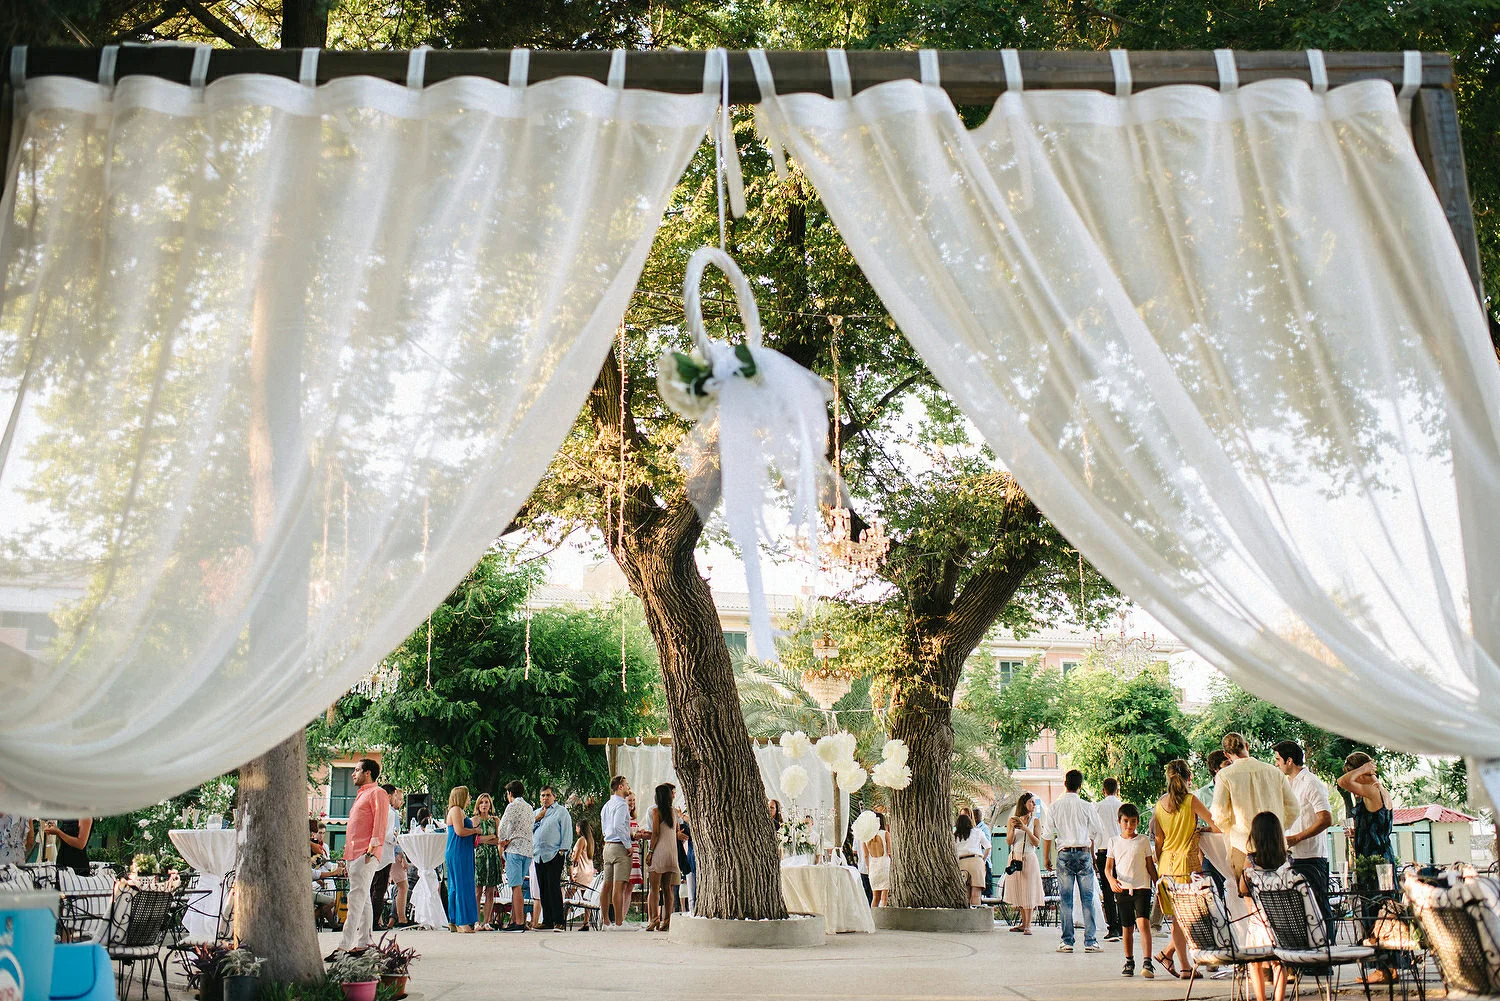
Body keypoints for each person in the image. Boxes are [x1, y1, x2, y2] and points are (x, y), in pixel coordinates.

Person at [1338, 752, 1401, 986]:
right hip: (1382, 857)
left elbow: (1342, 783)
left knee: (1374, 914)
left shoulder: (1373, 789)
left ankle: (1381, 969)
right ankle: (1391, 967)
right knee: (1386, 912)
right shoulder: (1380, 790)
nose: (1352, 785)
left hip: (1373, 863)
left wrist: (1362, 769)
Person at [1152, 759, 1219, 978]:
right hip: (1186, 866)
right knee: (1190, 918)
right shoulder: (1191, 801)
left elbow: (1159, 840)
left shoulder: (1159, 805)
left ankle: (1173, 957)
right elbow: (1217, 825)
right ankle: (1183, 965)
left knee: (1179, 919)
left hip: (1166, 866)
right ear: (1188, 777)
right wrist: (1200, 830)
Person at [1211, 732, 1299, 876]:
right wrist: (1279, 827)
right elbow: (1293, 808)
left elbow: (1219, 815)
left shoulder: (1224, 776)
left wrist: (1230, 830)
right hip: (1275, 845)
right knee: (1278, 891)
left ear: (1226, 754)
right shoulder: (1274, 772)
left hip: (1243, 845)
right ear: (1246, 746)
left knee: (1247, 894)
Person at [1040, 769, 1108, 953]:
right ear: (1080, 786)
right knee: (1088, 899)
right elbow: (1098, 830)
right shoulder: (1087, 806)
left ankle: (1067, 941)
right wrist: (1090, 844)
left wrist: (1046, 857)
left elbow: (1047, 835)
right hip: (1084, 853)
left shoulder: (1054, 807)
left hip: (1064, 854)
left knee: (1066, 900)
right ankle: (1090, 941)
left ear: (1065, 784)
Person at [330, 758, 390, 960]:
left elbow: (380, 822)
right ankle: (365, 942)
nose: (353, 774)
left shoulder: (378, 793)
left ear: (368, 773)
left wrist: (372, 849)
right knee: (363, 900)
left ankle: (343, 946)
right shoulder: (362, 794)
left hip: (366, 853)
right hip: (354, 854)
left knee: (356, 899)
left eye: (356, 770)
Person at [1274, 740, 1333, 931]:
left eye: (1278, 760)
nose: (1276, 764)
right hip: (1292, 857)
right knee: (1300, 910)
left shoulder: (1312, 783)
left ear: (1289, 760)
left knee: (1319, 908)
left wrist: (1297, 837)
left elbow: (1325, 819)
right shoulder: (1288, 784)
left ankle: (1328, 951)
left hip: (1312, 857)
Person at [1238, 812, 1291, 1001]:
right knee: (1279, 963)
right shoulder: (1287, 860)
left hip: (1258, 923)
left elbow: (1243, 888)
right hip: (1282, 923)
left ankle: (1260, 999)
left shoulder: (1251, 860)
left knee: (1255, 962)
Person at [1106, 803, 1159, 979]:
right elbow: (1108, 868)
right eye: (1126, 821)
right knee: (1126, 927)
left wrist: (1157, 883)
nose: (1129, 825)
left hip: (1142, 887)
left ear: (1138, 822)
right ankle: (1129, 961)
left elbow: (1150, 866)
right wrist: (1112, 880)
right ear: (1119, 821)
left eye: (1133, 821)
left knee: (1143, 924)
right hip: (1122, 889)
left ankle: (1147, 961)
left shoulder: (1143, 840)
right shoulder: (1113, 841)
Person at [533, 785, 573, 931]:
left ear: (554, 797)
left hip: (554, 854)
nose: (545, 798)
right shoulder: (536, 813)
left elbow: (567, 832)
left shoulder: (561, 812)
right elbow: (529, 831)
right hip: (538, 855)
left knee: (553, 887)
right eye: (542, 795)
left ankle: (559, 920)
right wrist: (537, 819)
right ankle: (547, 920)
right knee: (543, 888)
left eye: (548, 795)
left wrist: (562, 851)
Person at [496, 780, 533, 932]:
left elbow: (502, 827)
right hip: (528, 850)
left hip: (515, 849)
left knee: (515, 886)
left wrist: (502, 840)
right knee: (518, 886)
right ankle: (514, 920)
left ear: (510, 793)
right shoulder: (529, 807)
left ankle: (519, 922)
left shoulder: (512, 806)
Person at [1003, 793, 1043, 934]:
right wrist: (1013, 829)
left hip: (1029, 857)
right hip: (1015, 857)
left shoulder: (1035, 821)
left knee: (1029, 889)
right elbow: (1009, 841)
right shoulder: (1012, 820)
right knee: (1019, 889)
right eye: (1031, 802)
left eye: (1034, 802)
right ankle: (1023, 923)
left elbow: (1037, 842)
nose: (1034, 804)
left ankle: (1028, 925)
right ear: (1024, 803)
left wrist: (1026, 829)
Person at [645, 783, 683, 931]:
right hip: (672, 853)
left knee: (654, 888)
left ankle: (654, 918)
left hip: (659, 852)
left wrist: (650, 852)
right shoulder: (674, 812)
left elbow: (655, 833)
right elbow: (675, 831)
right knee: (668, 888)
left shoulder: (656, 812)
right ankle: (667, 920)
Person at [444, 785, 479, 933]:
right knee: (462, 885)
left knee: (455, 885)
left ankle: (453, 919)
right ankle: (462, 921)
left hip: (460, 850)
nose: (470, 798)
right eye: (468, 795)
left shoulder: (457, 811)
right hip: (459, 850)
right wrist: (475, 830)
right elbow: (459, 831)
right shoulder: (456, 810)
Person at [600, 776, 633, 929]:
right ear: (620, 786)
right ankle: (619, 922)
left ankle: (606, 920)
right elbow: (619, 825)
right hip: (619, 846)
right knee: (618, 886)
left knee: (607, 885)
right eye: (626, 784)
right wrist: (628, 845)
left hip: (608, 846)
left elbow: (605, 825)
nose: (628, 787)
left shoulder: (607, 805)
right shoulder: (622, 805)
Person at [1094, 777, 1124, 942]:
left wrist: (1093, 853)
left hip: (1104, 851)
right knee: (1121, 887)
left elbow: (1093, 832)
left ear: (1103, 790)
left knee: (1107, 889)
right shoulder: (1122, 806)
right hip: (1121, 851)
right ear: (1117, 790)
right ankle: (1123, 926)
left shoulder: (1097, 807)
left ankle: (1113, 927)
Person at [1197, 750, 1230, 896]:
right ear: (1216, 769)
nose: (1231, 767)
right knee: (1214, 896)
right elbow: (1196, 827)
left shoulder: (1235, 788)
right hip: (1212, 853)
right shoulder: (1202, 795)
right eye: (1227, 764)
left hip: (1233, 849)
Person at [370, 784, 401, 930]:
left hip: (374, 854)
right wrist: (396, 839)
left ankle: (369, 920)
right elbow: (388, 835)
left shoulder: (375, 809)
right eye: (395, 795)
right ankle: (375, 922)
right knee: (380, 889)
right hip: (385, 853)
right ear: (389, 795)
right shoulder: (390, 812)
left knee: (372, 888)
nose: (396, 799)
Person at [471, 793, 502, 928]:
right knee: (478, 890)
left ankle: (487, 921)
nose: (484, 805)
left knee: (490, 890)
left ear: (490, 805)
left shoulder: (495, 820)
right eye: (482, 802)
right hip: (479, 856)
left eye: (486, 802)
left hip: (492, 856)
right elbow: (474, 841)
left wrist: (486, 839)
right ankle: (477, 920)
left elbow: (498, 840)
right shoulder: (474, 820)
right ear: (478, 805)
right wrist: (490, 836)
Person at [954, 813, 987, 906]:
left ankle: (966, 917)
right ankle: (976, 918)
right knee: (976, 894)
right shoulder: (978, 832)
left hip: (961, 863)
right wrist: (982, 860)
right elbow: (988, 846)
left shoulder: (955, 836)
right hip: (976, 861)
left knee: (965, 894)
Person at [865, 813, 891, 907]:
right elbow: (890, 852)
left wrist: (868, 869)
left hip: (873, 868)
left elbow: (865, 856)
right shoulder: (885, 834)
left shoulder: (866, 837)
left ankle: (873, 918)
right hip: (884, 865)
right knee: (884, 896)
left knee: (875, 897)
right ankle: (882, 918)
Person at [970, 804, 993, 899]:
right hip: (975, 863)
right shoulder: (973, 829)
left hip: (984, 862)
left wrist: (983, 860)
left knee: (987, 887)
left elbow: (987, 845)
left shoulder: (983, 829)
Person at [570, 819, 597, 887]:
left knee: (569, 893)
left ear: (579, 828)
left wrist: (570, 866)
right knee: (584, 894)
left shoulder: (581, 840)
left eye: (576, 828)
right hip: (589, 870)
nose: (576, 830)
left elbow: (576, 858)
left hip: (580, 870)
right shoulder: (590, 840)